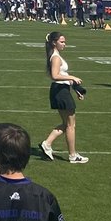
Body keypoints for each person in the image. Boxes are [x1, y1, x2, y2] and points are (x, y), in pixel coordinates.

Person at [39, 32, 88, 164]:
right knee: (71, 125)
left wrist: (75, 89)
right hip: (60, 91)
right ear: (54, 43)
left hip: (60, 90)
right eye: (62, 42)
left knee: (67, 124)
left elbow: (62, 74)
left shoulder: (56, 55)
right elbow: (55, 75)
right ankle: (72, 155)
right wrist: (72, 77)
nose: (64, 44)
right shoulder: (56, 57)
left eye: (65, 42)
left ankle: (47, 144)